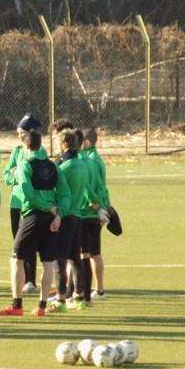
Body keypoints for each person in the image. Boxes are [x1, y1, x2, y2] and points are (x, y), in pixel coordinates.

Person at [0, 128, 69, 317]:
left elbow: (28, 193)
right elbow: (64, 193)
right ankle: (42, 307)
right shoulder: (54, 166)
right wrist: (58, 214)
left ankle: (17, 305)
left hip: (33, 216)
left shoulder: (24, 165)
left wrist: (47, 208)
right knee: (47, 262)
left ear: (26, 147)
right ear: (41, 145)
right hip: (52, 220)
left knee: (16, 259)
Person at [48, 129, 98, 312]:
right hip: (78, 216)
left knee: (59, 259)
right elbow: (88, 190)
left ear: (64, 144)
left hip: (65, 216)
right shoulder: (83, 165)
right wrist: (99, 205)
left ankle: (60, 300)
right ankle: (79, 297)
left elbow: (55, 190)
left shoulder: (63, 168)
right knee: (75, 258)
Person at [3, 114, 40, 294]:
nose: (20, 136)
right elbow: (6, 175)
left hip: (31, 203)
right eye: (18, 133)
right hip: (16, 202)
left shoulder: (39, 152)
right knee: (18, 242)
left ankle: (31, 281)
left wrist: (20, 174)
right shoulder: (16, 152)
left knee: (29, 242)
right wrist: (16, 176)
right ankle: (23, 278)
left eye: (23, 133)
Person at [81, 127, 110, 301]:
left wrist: (100, 207)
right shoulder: (96, 159)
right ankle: (98, 290)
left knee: (86, 254)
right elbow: (102, 186)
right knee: (94, 253)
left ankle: (85, 290)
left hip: (88, 210)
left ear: (87, 143)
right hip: (96, 209)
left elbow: (92, 187)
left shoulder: (89, 160)